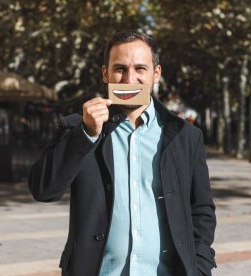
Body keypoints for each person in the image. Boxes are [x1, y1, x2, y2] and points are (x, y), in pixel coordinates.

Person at [28, 30, 216, 276]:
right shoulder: (77, 127)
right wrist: (86, 135)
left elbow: (201, 209)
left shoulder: (185, 136)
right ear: (106, 74)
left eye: (140, 69)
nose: (130, 79)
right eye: (120, 69)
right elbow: (43, 190)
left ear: (155, 74)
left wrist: (199, 265)